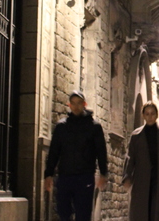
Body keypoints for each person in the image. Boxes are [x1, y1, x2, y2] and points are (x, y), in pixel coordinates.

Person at [44, 90, 108, 221]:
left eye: (79, 103)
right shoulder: (62, 127)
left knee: (83, 214)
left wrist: (103, 173)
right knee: (63, 212)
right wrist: (48, 174)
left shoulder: (94, 127)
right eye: (73, 103)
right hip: (65, 176)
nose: (76, 106)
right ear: (69, 105)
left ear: (84, 104)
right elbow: (54, 151)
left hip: (85, 177)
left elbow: (101, 151)